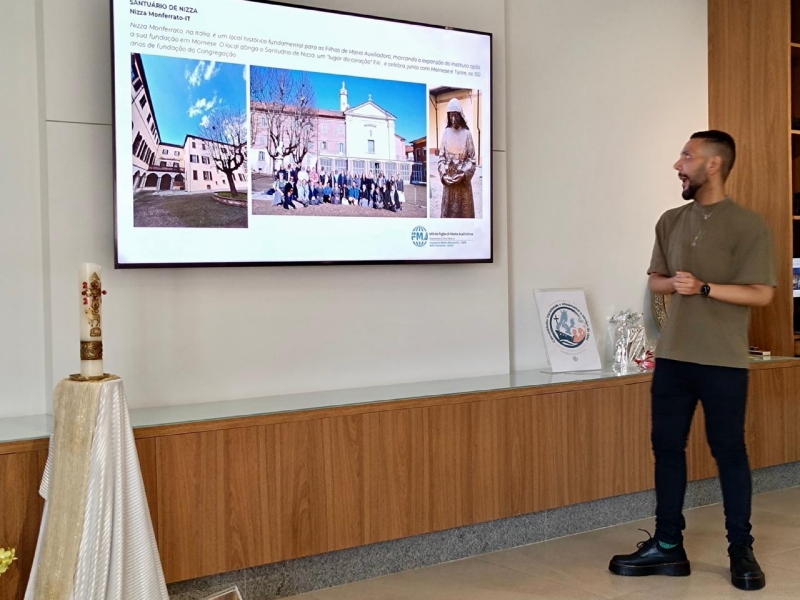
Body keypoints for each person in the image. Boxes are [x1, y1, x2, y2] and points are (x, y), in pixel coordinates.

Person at [608, 131, 775, 592]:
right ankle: (667, 546)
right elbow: (657, 281)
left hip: (723, 361)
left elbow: (762, 293)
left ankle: (741, 550)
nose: (678, 164)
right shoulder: (670, 220)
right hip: (673, 359)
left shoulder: (749, 225)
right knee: (666, 449)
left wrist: (704, 287)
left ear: (714, 164)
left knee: (729, 452)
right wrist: (676, 284)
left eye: (687, 156)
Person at [437, 98, 476, 218]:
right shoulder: (445, 133)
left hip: (463, 186)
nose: (453, 119)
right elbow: (441, 158)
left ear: (460, 115)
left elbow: (472, 159)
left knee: (464, 214)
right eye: (451, 116)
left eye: (456, 115)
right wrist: (443, 175)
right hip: (449, 185)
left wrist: (463, 174)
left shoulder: (467, 134)